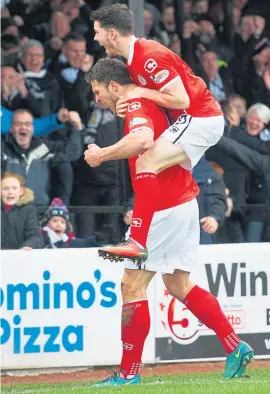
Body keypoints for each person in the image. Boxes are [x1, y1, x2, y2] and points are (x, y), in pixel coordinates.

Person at [84, 57, 253, 386]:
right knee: (178, 285)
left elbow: (143, 140)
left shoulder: (135, 103)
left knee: (131, 286)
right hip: (184, 202)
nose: (97, 99)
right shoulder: (147, 98)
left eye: (97, 91)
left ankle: (128, 374)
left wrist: (101, 153)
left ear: (114, 86)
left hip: (163, 207)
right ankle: (235, 346)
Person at [90, 3, 224, 262]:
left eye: (98, 32)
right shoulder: (133, 61)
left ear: (113, 34)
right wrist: (126, 103)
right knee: (179, 284)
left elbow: (181, 100)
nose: (95, 38)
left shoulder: (147, 55)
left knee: (146, 159)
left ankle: (137, 240)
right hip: (192, 120)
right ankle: (142, 236)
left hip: (200, 117)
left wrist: (138, 92)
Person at [1, 172, 43, 250]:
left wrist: (28, 246)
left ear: (21, 191)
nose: (10, 192)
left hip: (19, 257)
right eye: (6, 188)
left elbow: (35, 236)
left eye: (14, 188)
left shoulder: (28, 210)